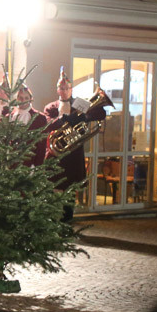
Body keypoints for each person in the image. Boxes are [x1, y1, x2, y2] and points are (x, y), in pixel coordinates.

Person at [43, 67, 109, 221]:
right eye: (62, 88)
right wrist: (62, 120)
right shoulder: (52, 107)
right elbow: (47, 123)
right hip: (57, 153)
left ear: (71, 89)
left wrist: (85, 117)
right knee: (53, 187)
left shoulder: (79, 103)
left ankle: (67, 221)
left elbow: (101, 114)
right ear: (57, 90)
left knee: (71, 189)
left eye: (67, 88)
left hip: (73, 153)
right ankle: (52, 220)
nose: (65, 90)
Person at [9, 82, 49, 165]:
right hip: (12, 163)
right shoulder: (10, 116)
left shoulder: (39, 118)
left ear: (30, 99)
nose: (23, 101)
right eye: (20, 98)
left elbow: (41, 145)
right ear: (17, 99)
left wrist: (36, 165)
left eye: (26, 98)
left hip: (30, 163)